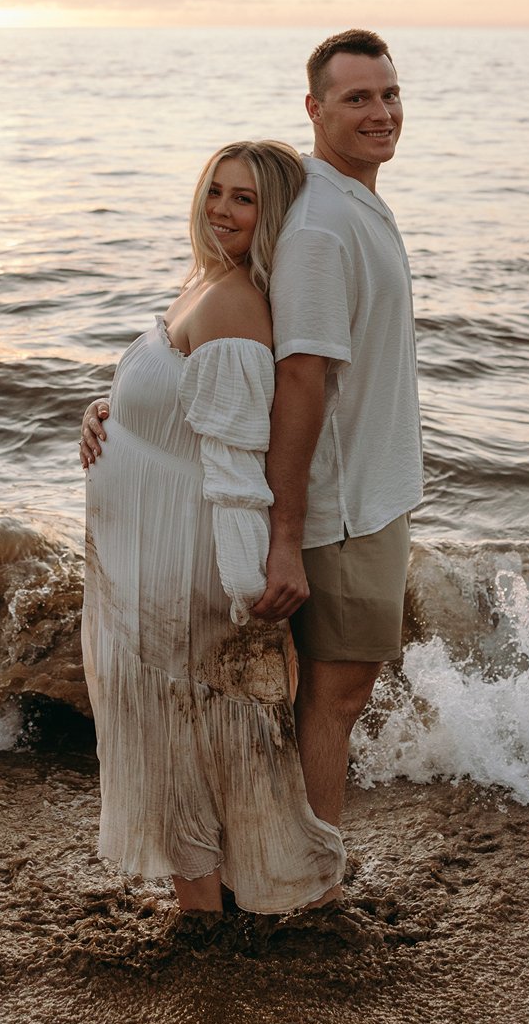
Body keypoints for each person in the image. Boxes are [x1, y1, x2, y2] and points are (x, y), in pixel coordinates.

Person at [83, 30, 422, 836]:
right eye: (357, 99)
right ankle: (300, 887)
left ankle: (268, 870)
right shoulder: (316, 227)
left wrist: (125, 405)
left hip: (361, 496)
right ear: (314, 108)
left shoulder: (335, 202)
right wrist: (285, 531)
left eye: (389, 93)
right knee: (332, 701)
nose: (381, 113)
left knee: (302, 698)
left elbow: (225, 339)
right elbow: (296, 376)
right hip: (341, 509)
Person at [78, 140, 344, 916]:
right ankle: (207, 900)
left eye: (244, 200)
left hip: (183, 559)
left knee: (184, 737)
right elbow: (171, 401)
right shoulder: (206, 283)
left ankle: (213, 912)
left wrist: (248, 582)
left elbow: (235, 465)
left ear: (275, 218)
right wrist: (102, 412)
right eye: (215, 191)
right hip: (145, 554)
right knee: (172, 734)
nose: (221, 210)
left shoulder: (234, 307)